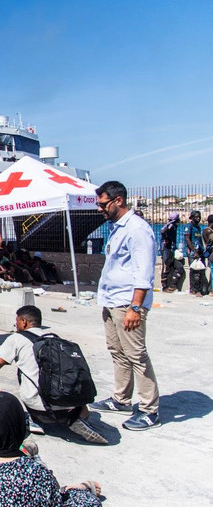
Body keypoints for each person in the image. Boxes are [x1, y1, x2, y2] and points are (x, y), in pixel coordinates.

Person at [0, 391, 102, 506]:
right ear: (20, 425)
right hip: (38, 488)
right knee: (87, 501)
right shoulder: (34, 473)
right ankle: (72, 488)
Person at [89, 180, 160, 430]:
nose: (99, 209)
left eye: (102, 204)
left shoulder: (137, 229)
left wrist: (136, 307)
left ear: (118, 201)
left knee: (136, 355)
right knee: (117, 352)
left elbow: (144, 272)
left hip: (127, 303)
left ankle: (150, 410)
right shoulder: (118, 228)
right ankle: (121, 399)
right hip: (111, 301)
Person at [0, 305, 108, 444]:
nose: (16, 324)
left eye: (17, 321)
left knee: (13, 392)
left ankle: (33, 420)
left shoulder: (16, 338)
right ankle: (72, 419)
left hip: (38, 407)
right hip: (69, 401)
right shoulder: (55, 340)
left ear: (23, 322)